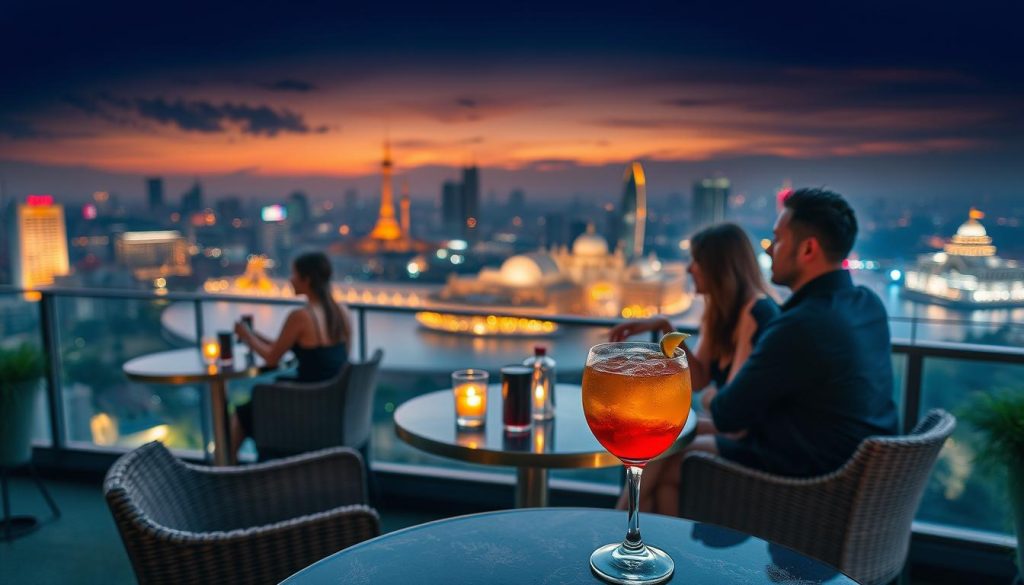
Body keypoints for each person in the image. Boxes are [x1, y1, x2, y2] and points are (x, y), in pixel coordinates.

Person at [636, 188, 899, 516]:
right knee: (667, 445)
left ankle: (641, 545)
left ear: (807, 249)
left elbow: (728, 414)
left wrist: (711, 397)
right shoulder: (867, 304)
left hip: (813, 482)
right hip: (865, 480)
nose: (771, 251)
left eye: (777, 240)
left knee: (673, 456)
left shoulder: (798, 325)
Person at [608, 223, 780, 431]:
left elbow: (731, 406)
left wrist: (709, 398)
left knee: (651, 434)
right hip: (728, 424)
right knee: (646, 431)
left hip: (749, 434)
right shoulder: (719, 312)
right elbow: (698, 380)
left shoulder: (756, 312)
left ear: (719, 266)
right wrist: (666, 326)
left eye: (697, 260)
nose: (689, 268)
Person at [230, 251, 352, 455]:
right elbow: (291, 349)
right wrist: (254, 335)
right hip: (330, 405)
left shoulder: (301, 316)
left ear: (307, 279)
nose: (290, 279)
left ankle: (224, 473)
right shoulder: (342, 312)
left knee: (240, 415)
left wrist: (247, 337)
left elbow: (271, 359)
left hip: (303, 405)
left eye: (294, 274)